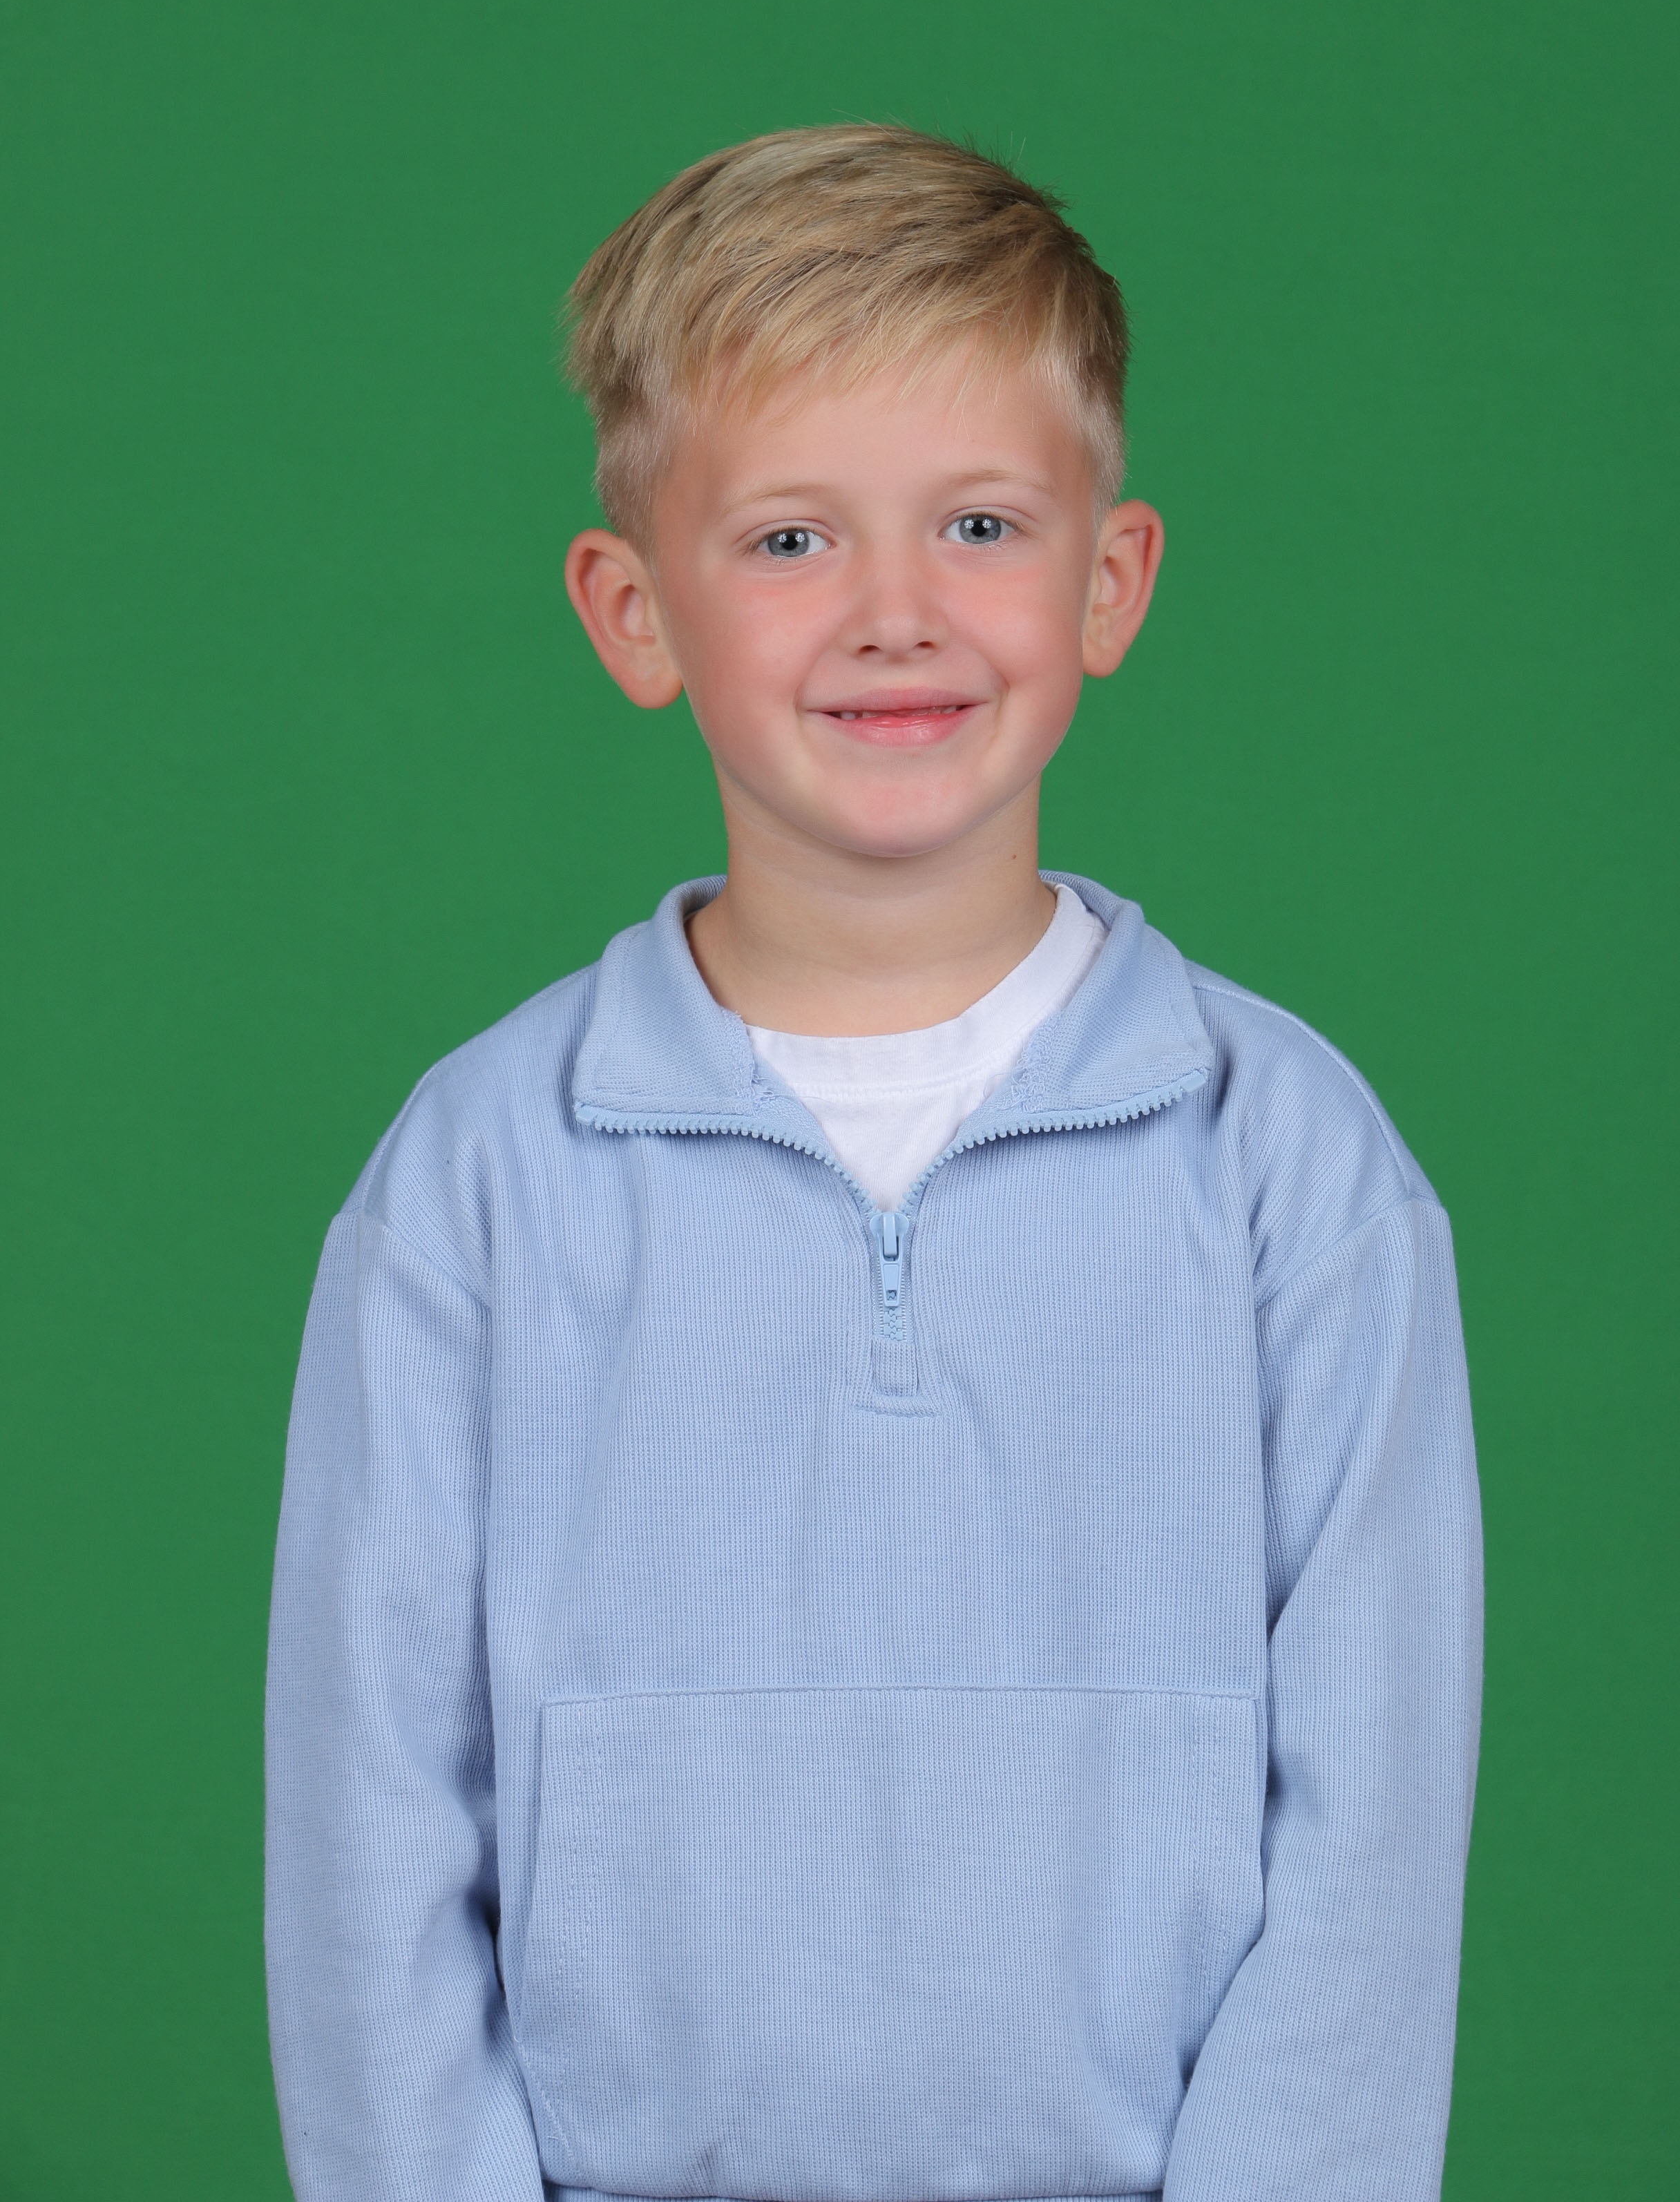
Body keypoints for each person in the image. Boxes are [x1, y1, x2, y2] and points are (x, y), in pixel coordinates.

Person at [265, 124, 1482, 2202]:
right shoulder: (478, 1180)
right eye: (790, 540)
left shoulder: (1288, 1168)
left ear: (1111, 582)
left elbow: (1368, 1847)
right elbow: (371, 1827)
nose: (896, 615)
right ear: (635, 611)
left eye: (981, 523)